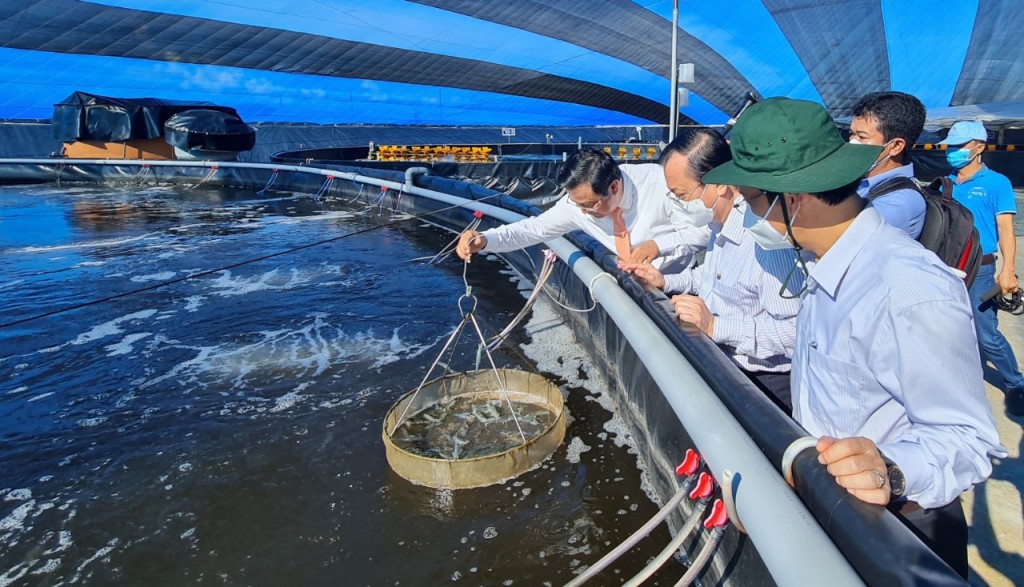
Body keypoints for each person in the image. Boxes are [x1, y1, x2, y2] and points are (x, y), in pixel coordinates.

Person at [702, 97, 1005, 577]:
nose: (746, 216)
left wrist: (892, 468)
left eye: (752, 201)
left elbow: (969, 438)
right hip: (833, 509)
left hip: (900, 531)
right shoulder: (823, 265)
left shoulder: (908, 287)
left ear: (794, 199)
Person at [621, 128, 808, 414]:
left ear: (720, 184)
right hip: (726, 362)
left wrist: (715, 327)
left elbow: (797, 332)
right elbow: (711, 278)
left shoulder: (766, 243)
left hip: (764, 382)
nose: (679, 204)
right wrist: (665, 281)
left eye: (682, 194)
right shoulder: (719, 225)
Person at [456, 149, 709, 269]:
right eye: (577, 204)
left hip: (677, 283)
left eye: (589, 205)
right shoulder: (576, 205)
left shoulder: (661, 184)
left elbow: (705, 232)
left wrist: (658, 246)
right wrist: (485, 239)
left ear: (613, 187)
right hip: (633, 283)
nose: (583, 212)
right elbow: (532, 230)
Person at [939, 120, 1024, 417]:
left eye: (959, 146)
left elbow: (1005, 230)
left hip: (982, 268)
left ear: (979, 147)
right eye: (950, 146)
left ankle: (1016, 383)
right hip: (946, 268)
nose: (953, 151)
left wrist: (1009, 269)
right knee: (949, 329)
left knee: (986, 334)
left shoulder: (996, 183)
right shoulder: (944, 183)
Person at [849, 91, 927, 238]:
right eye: (851, 134)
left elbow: (831, 238)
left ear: (896, 146)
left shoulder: (899, 203)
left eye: (862, 137)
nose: (853, 142)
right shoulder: (862, 183)